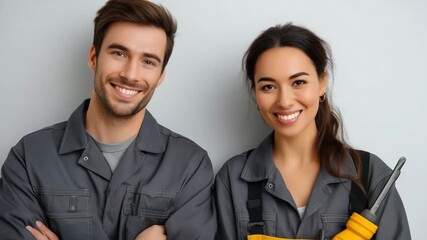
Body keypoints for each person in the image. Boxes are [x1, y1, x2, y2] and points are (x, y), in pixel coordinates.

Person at [0, 0, 216, 239]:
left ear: (161, 75)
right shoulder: (29, 157)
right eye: (119, 53)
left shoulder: (190, 166)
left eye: (148, 61)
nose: (130, 74)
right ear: (94, 57)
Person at [214, 23, 411, 240]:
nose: (285, 101)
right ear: (255, 93)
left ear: (322, 83)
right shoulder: (233, 180)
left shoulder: (370, 175)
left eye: (298, 82)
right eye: (268, 86)